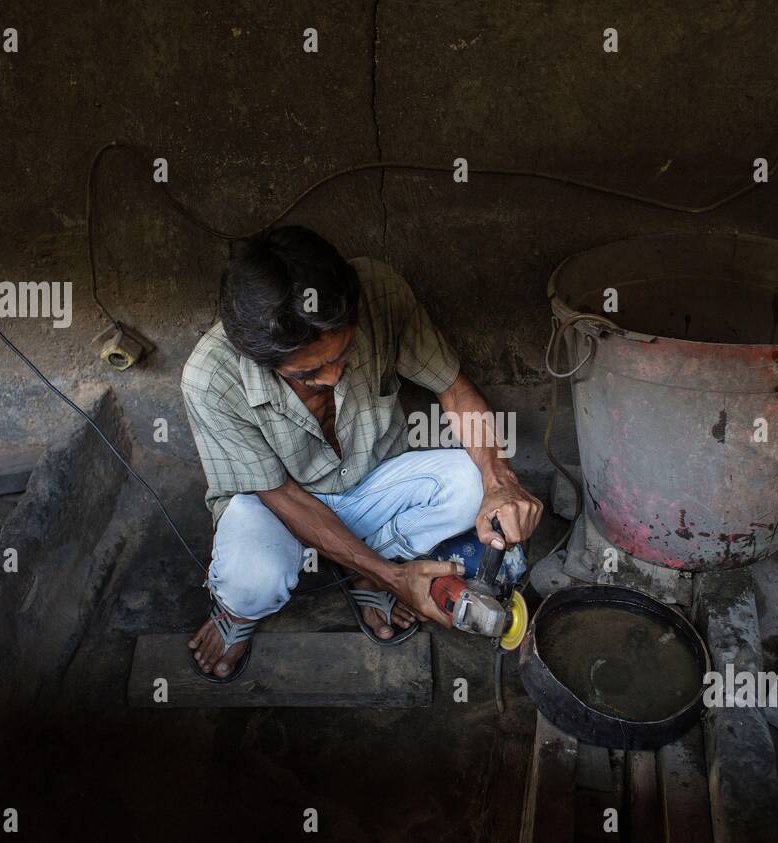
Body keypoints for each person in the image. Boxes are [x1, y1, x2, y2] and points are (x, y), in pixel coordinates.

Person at [180, 226, 543, 681]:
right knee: (252, 579)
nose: (333, 377)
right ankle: (247, 612)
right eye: (308, 372)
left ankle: (361, 567)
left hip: (371, 484)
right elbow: (283, 497)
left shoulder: (379, 292)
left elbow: (453, 388)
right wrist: (397, 581)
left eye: (345, 353)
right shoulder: (210, 378)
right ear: (259, 358)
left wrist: (498, 481)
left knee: (472, 484)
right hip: (283, 504)